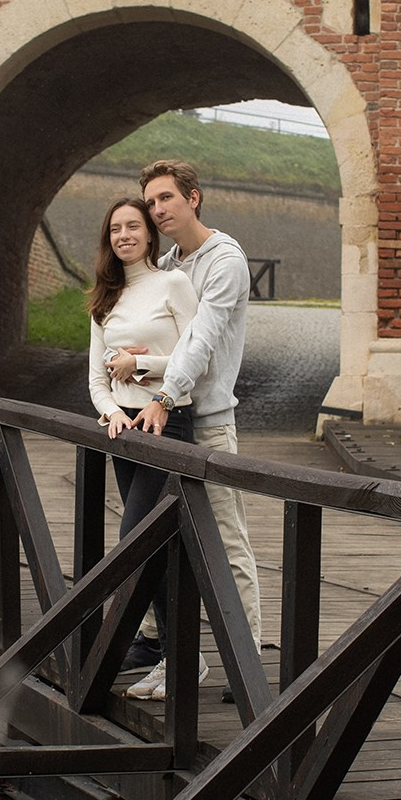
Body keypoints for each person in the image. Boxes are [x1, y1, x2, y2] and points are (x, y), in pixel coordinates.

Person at [108, 159, 262, 701]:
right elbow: (167, 345)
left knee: (226, 537)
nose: (157, 210)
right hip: (166, 417)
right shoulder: (168, 262)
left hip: (207, 419)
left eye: (166, 199)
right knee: (153, 533)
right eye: (150, 202)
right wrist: (146, 368)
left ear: (194, 197)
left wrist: (162, 389)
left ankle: (248, 657)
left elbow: (202, 342)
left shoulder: (225, 262)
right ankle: (156, 640)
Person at [84, 197, 203, 701]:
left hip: (166, 424)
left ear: (150, 235)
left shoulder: (173, 284)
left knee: (136, 538)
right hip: (123, 432)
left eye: (134, 226)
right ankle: (173, 654)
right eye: (116, 228)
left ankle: (182, 656)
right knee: (153, 543)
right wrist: (110, 410)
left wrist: (145, 367)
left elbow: (198, 354)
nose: (125, 235)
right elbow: (94, 377)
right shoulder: (105, 298)